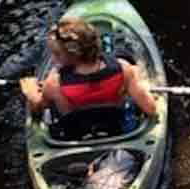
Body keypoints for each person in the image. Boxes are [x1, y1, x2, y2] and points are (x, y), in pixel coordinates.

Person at [19, 17, 157, 118]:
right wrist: (139, 80)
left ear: (73, 55)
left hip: (75, 133)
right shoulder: (124, 69)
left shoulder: (54, 83)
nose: (53, 59)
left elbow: (37, 110)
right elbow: (150, 109)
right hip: (116, 125)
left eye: (57, 54)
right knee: (125, 58)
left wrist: (31, 92)